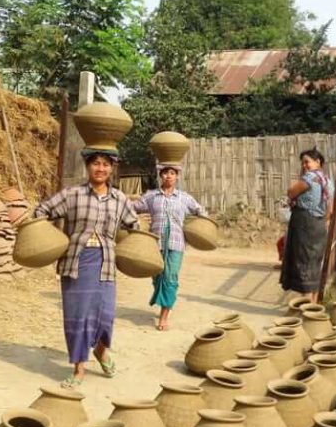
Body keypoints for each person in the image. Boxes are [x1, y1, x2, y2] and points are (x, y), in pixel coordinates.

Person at [34, 149, 138, 388]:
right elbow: (42, 211)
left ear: (112, 168)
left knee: (105, 315)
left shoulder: (119, 199)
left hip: (106, 263)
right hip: (76, 263)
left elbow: (134, 225)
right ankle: (79, 368)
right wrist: (51, 238)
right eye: (95, 164)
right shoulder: (73, 195)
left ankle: (101, 352)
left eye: (105, 164)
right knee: (78, 317)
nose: (100, 169)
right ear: (87, 167)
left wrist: (139, 247)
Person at [133, 164, 207, 331]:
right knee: (157, 277)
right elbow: (132, 209)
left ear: (177, 177)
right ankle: (166, 301)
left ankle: (164, 315)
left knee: (170, 277)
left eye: (172, 173)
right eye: (165, 173)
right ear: (161, 176)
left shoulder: (184, 198)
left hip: (176, 244)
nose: (168, 176)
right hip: (154, 244)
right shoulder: (151, 196)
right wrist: (136, 221)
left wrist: (198, 227)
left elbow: (201, 211)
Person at [280, 147, 334, 303]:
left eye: (307, 162)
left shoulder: (310, 178)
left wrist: (301, 178)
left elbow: (291, 192)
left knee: (303, 263)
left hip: (305, 225)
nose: (304, 165)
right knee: (315, 262)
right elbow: (330, 209)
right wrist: (322, 221)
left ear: (318, 162)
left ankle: (306, 307)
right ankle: (314, 303)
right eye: (302, 163)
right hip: (319, 225)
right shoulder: (327, 181)